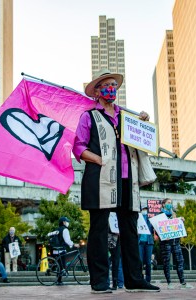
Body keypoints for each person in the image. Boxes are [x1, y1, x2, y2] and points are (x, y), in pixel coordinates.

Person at [73, 69, 160, 294]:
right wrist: (98, 159)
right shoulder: (88, 116)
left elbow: (143, 142)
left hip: (127, 178)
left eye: (114, 85)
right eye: (106, 85)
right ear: (97, 92)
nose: (111, 88)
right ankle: (99, 281)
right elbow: (78, 147)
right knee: (99, 230)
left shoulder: (128, 117)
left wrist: (144, 123)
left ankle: (134, 279)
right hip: (100, 178)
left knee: (130, 229)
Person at [159, 198, 194, 290]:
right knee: (166, 262)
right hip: (165, 243)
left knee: (180, 261)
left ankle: (183, 282)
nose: (170, 204)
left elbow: (177, 226)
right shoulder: (160, 215)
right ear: (163, 204)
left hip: (176, 242)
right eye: (168, 203)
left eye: (171, 203)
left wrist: (180, 220)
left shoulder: (174, 214)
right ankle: (169, 283)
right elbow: (157, 228)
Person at [52, 216, 80, 286]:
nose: (68, 223)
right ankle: (59, 280)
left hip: (56, 249)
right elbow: (67, 240)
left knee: (60, 266)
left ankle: (58, 280)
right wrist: (74, 244)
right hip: (61, 249)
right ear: (64, 222)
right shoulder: (65, 230)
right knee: (62, 266)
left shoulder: (58, 229)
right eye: (67, 222)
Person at [139, 205, 154, 283]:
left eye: (146, 209)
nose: (145, 211)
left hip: (149, 242)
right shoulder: (138, 219)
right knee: (140, 261)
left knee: (148, 262)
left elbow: (154, 228)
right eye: (144, 209)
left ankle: (148, 280)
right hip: (140, 242)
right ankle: (140, 278)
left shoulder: (150, 220)